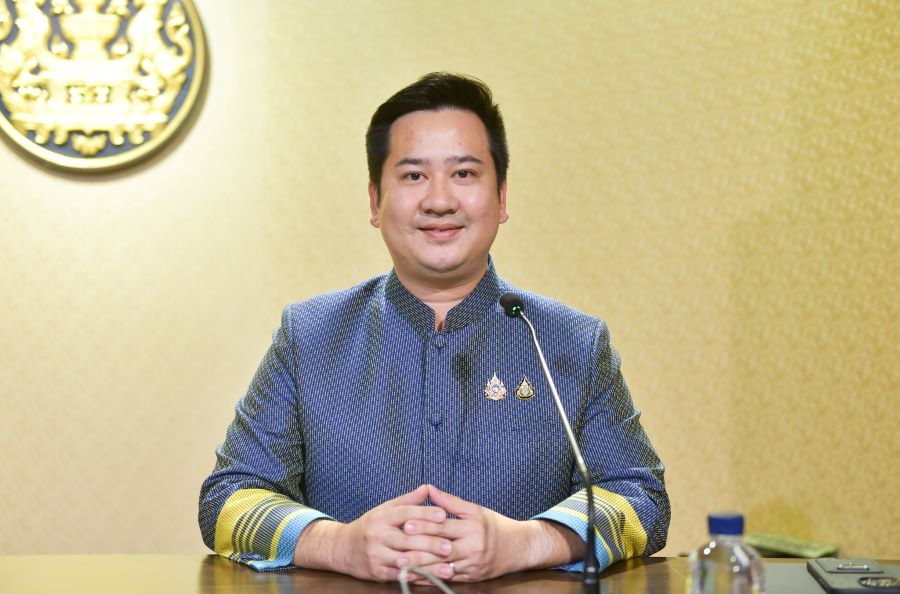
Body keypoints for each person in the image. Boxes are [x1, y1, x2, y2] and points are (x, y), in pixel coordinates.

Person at [199, 72, 670, 584]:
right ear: (376, 201)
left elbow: (641, 498)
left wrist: (528, 541)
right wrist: (337, 544)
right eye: (413, 176)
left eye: (464, 173)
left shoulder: (570, 341)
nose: (440, 200)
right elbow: (229, 498)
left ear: (501, 196)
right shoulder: (309, 337)